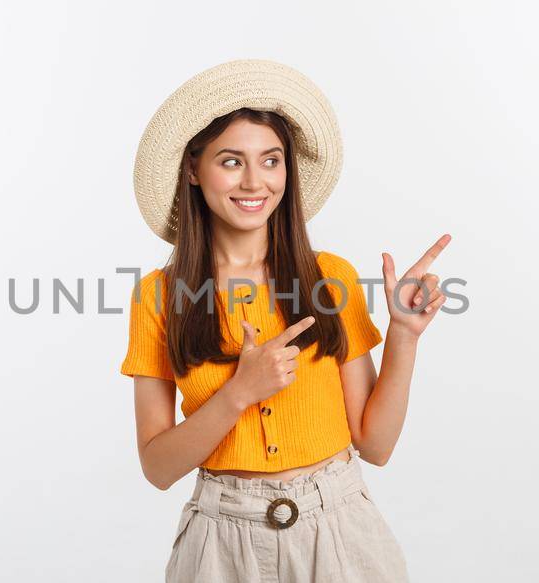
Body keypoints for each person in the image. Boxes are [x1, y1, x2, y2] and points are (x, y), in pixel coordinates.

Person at [121, 59, 450, 582]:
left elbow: (376, 444)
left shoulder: (330, 278)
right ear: (192, 169)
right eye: (231, 162)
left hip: (338, 531)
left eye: (270, 160)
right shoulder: (159, 298)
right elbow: (158, 469)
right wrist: (238, 393)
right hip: (221, 544)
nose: (255, 181)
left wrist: (404, 336)